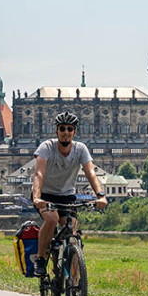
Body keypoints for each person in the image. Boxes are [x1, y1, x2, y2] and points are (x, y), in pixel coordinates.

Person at [31, 112, 108, 276]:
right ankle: (41, 259)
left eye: (69, 129)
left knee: (72, 234)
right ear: (56, 131)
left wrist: (100, 194)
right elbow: (38, 174)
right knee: (52, 219)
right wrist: (37, 197)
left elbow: (91, 173)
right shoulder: (46, 147)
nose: (66, 132)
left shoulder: (80, 149)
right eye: (62, 128)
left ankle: (75, 284)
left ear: (74, 132)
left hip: (67, 196)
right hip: (45, 195)